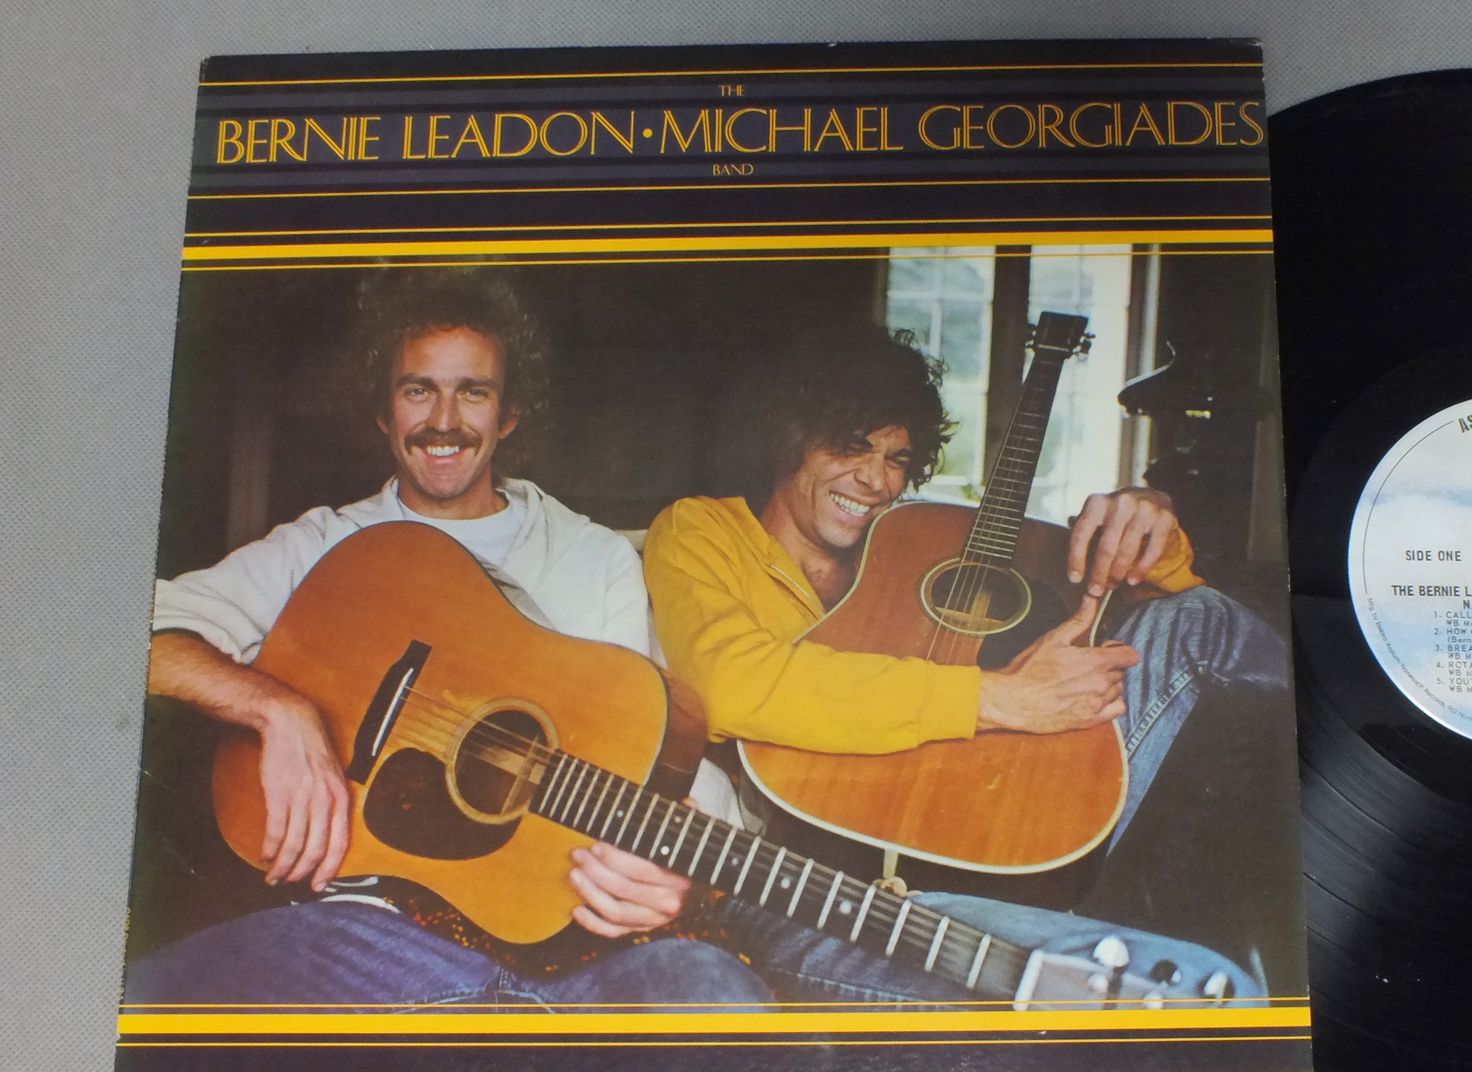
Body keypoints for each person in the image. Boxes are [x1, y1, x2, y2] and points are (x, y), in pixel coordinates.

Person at [125, 270, 771, 1010]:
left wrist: (681, 877)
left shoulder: (594, 559)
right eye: (418, 390)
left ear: (510, 413)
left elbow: (652, 763)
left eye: (473, 392)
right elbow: (130, 636)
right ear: (383, 410)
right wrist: (278, 710)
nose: (444, 420)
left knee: (721, 1001)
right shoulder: (324, 545)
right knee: (145, 1001)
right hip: (366, 929)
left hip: (567, 934)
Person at [642, 324, 1290, 1004]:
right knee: (1197, 988)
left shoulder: (913, 539)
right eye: (852, 444)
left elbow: (1118, 599)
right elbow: (728, 685)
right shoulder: (702, 531)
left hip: (989, 815)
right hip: (827, 877)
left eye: (897, 458)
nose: (876, 479)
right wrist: (1001, 697)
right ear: (789, 436)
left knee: (1200, 617)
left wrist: (1150, 533)